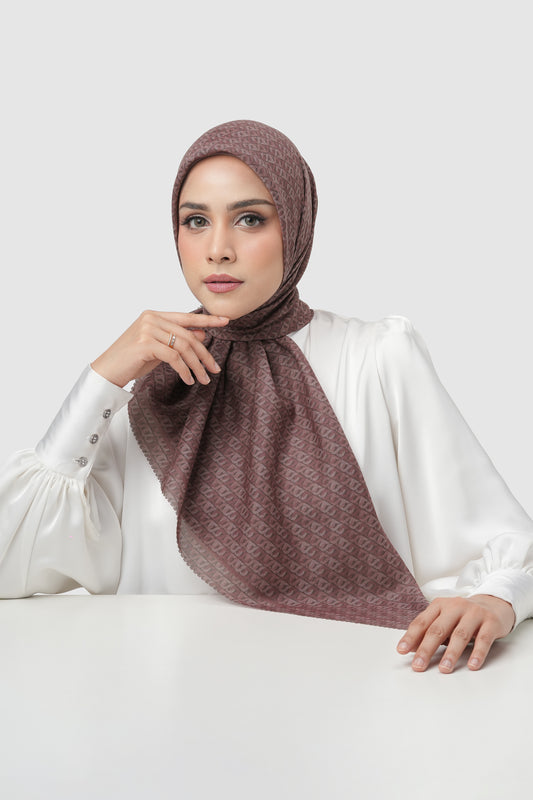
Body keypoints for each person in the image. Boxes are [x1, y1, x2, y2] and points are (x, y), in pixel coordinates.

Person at [1, 120, 532, 675]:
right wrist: (101, 380)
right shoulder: (155, 386)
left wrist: (498, 598)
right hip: (168, 705)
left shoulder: (376, 358)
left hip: (356, 695)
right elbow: (13, 558)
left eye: (250, 218)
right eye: (196, 221)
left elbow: (506, 545)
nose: (218, 250)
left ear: (296, 225)